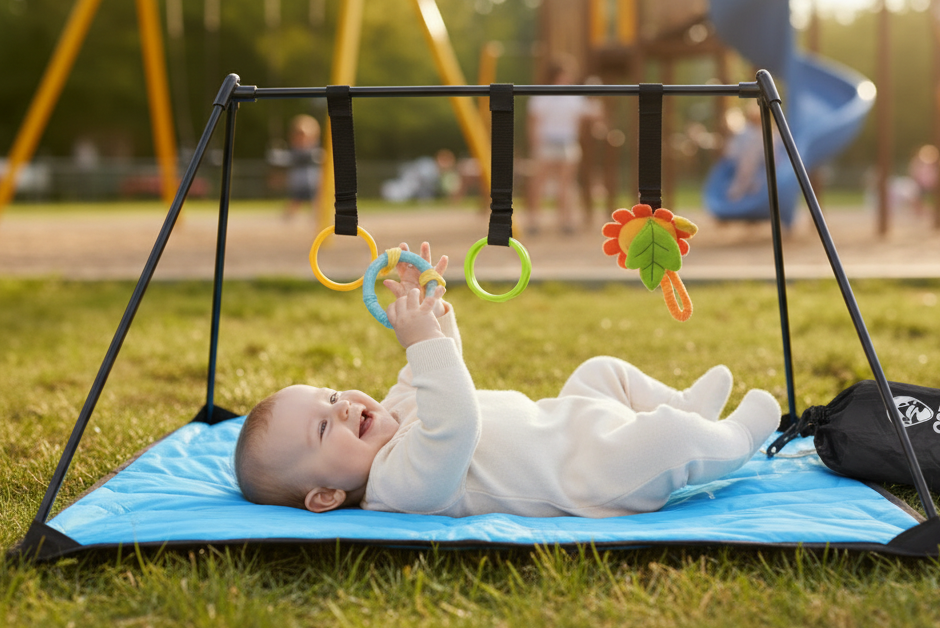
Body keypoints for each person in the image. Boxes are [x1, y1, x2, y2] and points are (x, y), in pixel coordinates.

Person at [234, 242, 781, 518]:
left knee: (599, 371)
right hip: (592, 471)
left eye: (330, 396)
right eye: (325, 429)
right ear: (327, 497)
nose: (344, 408)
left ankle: (687, 405)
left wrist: (432, 313)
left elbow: (448, 366)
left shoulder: (397, 409)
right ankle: (733, 438)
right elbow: (457, 422)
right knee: (667, 442)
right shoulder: (398, 486)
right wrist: (421, 342)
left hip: (568, 418)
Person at [527, 55, 591, 234]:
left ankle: (566, 221)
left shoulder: (574, 97)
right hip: (547, 142)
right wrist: (536, 146)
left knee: (566, 184)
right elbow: (534, 122)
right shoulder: (542, 96)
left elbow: (588, 114)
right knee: (539, 183)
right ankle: (534, 221)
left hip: (567, 142)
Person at [284, 114, 322, 219]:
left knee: (317, 200)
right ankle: (288, 217)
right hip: (298, 179)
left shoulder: (314, 152)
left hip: (312, 178)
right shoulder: (294, 152)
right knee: (296, 199)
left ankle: (319, 218)